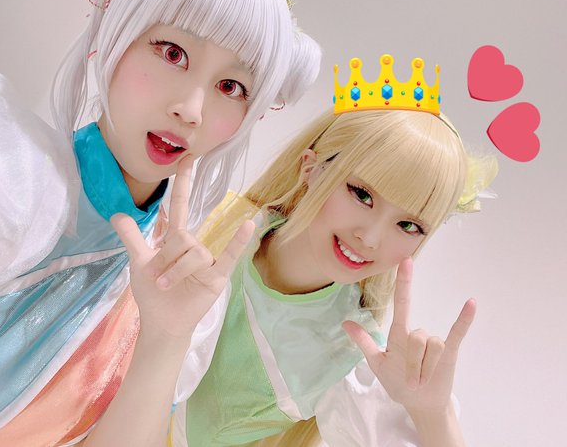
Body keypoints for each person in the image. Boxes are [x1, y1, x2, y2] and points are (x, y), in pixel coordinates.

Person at [0, 0, 320, 444]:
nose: (190, 109)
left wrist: (166, 337)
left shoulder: (185, 294)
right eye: (173, 53)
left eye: (231, 87)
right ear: (115, 36)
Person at [97, 55, 497, 446]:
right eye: (362, 194)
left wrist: (433, 416)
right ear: (311, 168)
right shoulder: (209, 219)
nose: (372, 238)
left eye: (408, 225)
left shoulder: (349, 352)